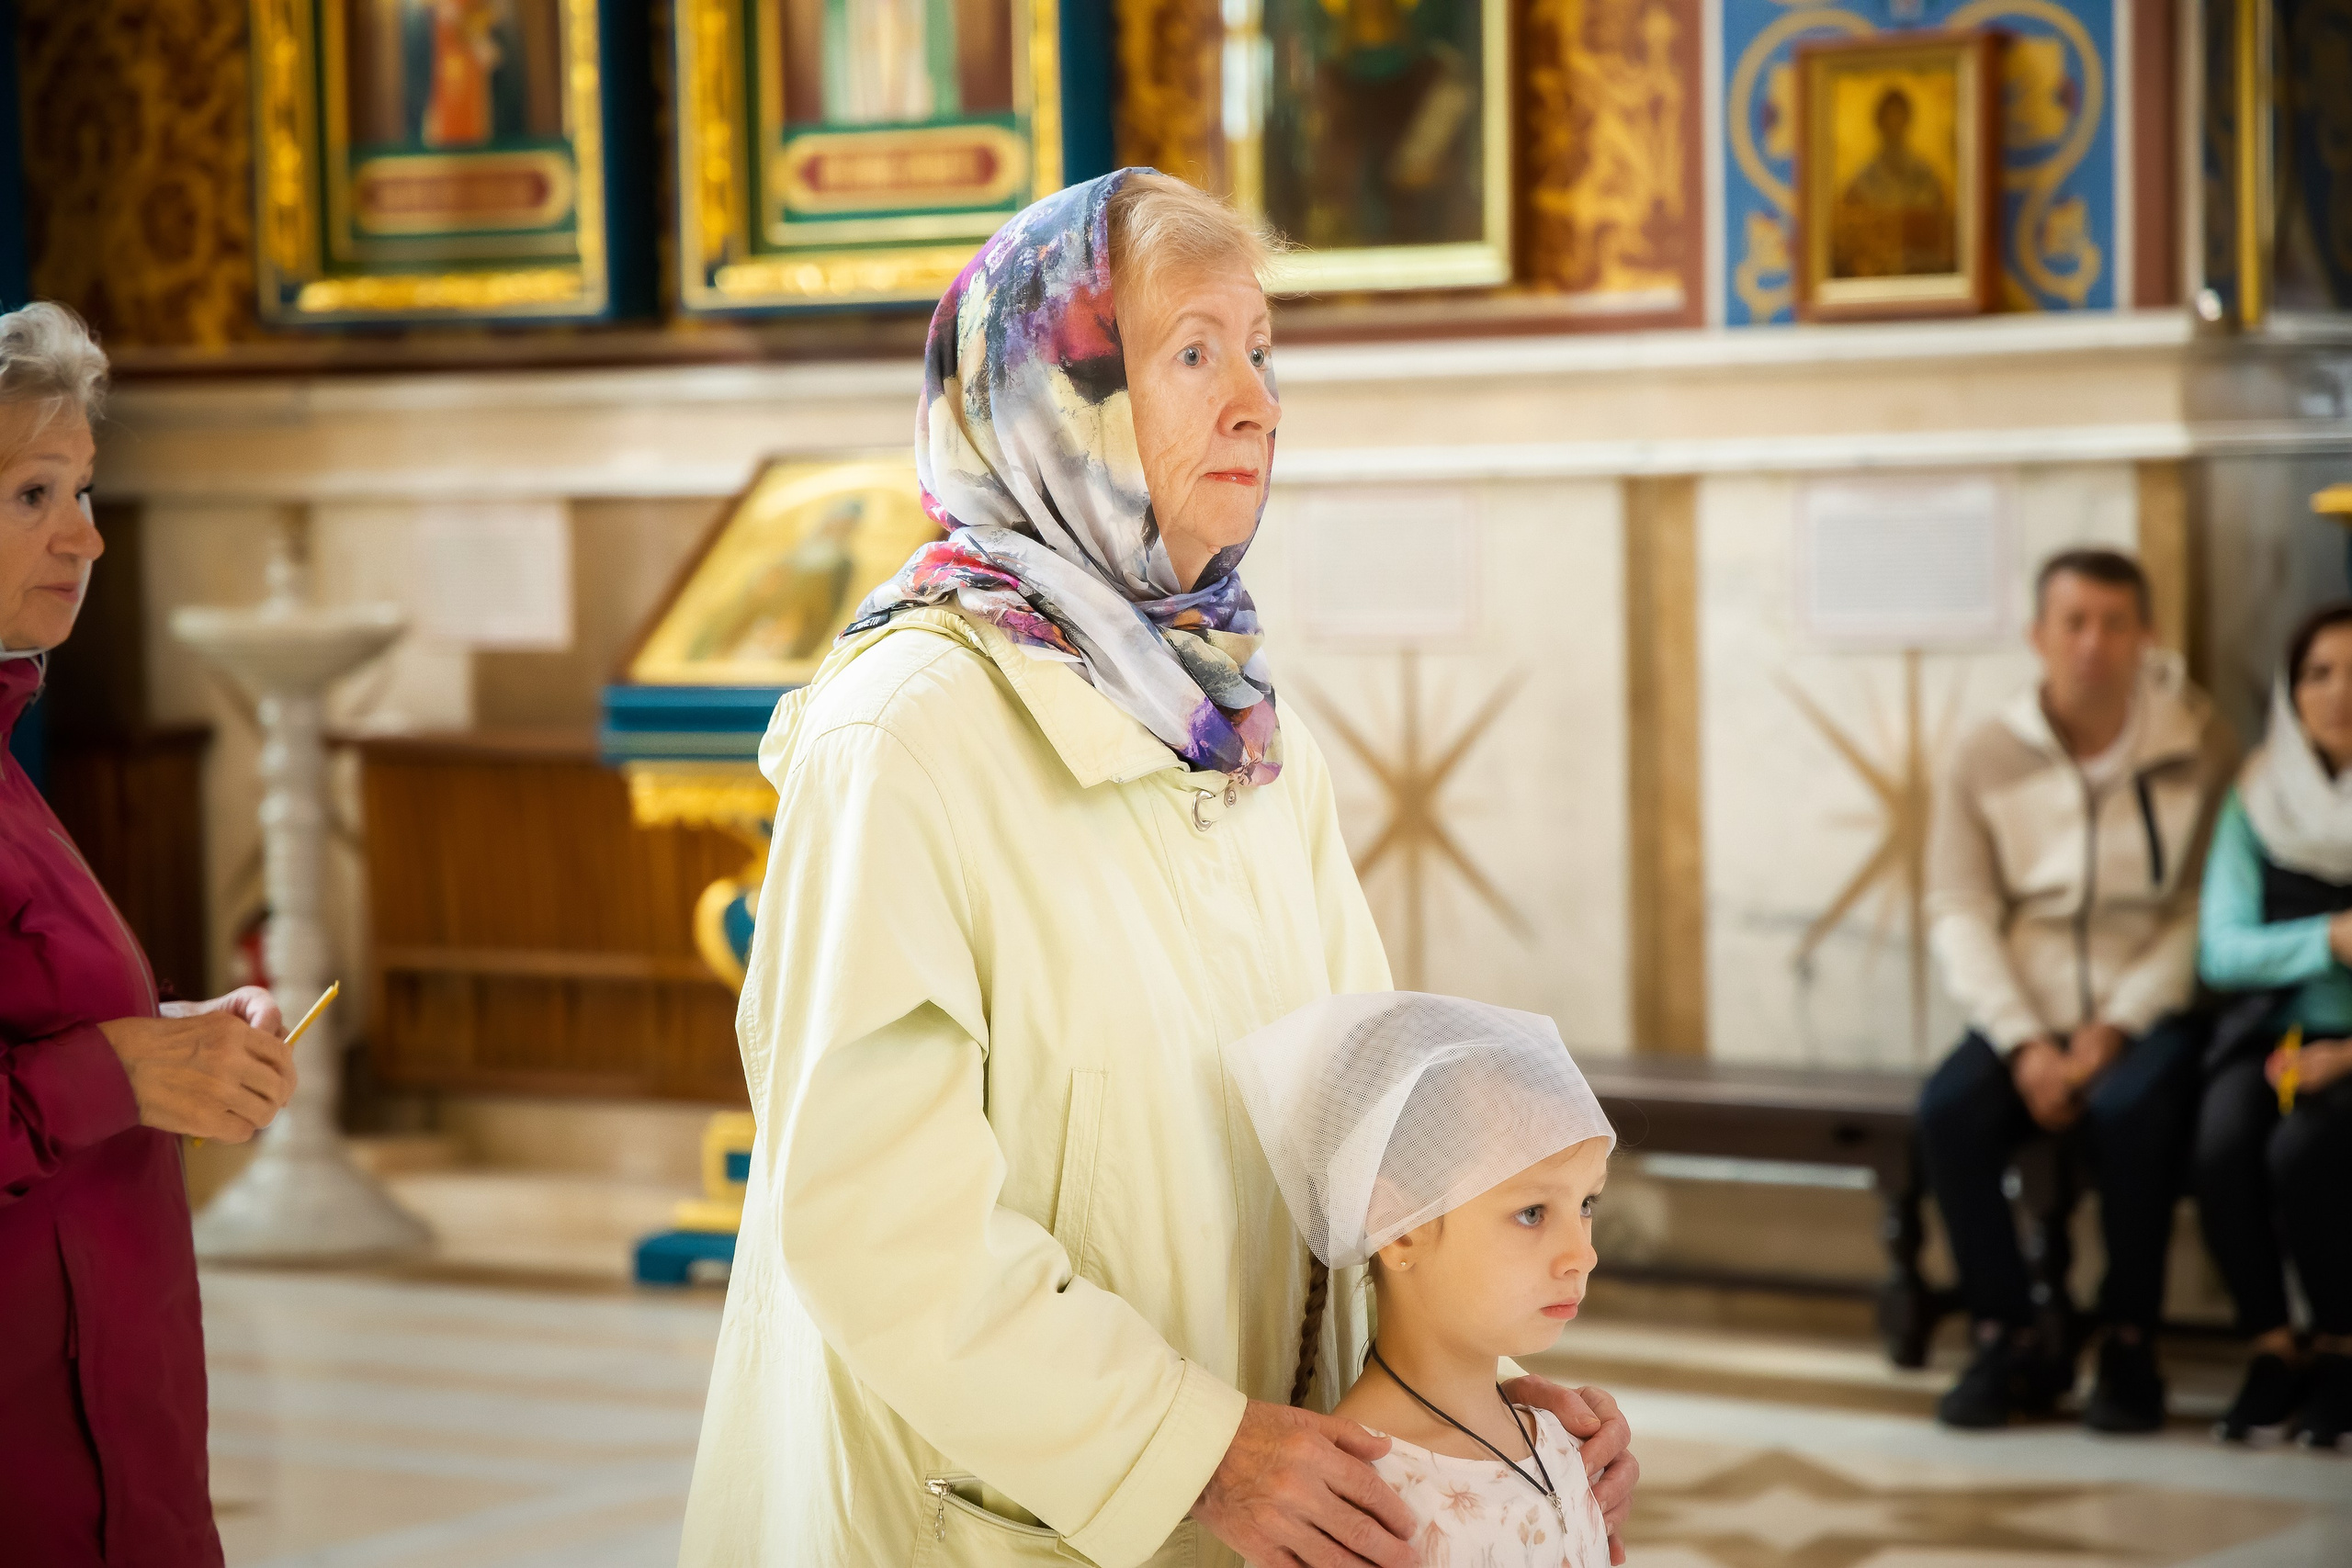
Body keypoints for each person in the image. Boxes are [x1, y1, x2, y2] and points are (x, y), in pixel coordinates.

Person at [678, 171, 1640, 1567]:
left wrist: (1467, 1399)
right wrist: (1185, 1447)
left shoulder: (1237, 721)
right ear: (1052, 397)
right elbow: (879, 1214)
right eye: (1196, 350)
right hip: (987, 1524)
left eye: (1262, 346)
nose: (1259, 398)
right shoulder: (907, 728)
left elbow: (1364, 1150)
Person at [0, 302, 299, 1562]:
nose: (87, 533)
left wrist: (175, 1045)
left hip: (117, 1446)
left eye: (81, 487)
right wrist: (116, 1069)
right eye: (31, 492)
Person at [1918, 547, 2235, 1432]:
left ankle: (2129, 1342)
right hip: (2026, 1006)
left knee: (2135, 1112)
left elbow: (2199, 908)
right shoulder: (1984, 753)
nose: (2093, 643)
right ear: (2038, 635)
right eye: (2074, 622)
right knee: (1948, 1111)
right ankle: (2007, 1336)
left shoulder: (2197, 743)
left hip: (2151, 1009)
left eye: (2115, 622)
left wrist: (2118, 1026)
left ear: (2147, 636)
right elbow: (1959, 907)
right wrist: (2024, 1040)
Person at [1230, 992, 1616, 1568]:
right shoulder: (1354, 1498)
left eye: (1586, 1203)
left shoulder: (1559, 1444)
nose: (1581, 1255)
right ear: (1398, 1229)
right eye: (1532, 1212)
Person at [2194, 601, 2352, 1449]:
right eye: (2317, 674)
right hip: (2271, 1035)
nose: (2338, 694)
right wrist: (2326, 938)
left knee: (2308, 1152)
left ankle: (2340, 1345)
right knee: (2222, 1143)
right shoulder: (2257, 797)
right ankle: (2271, 1349)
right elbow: (2221, 951)